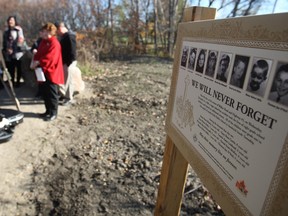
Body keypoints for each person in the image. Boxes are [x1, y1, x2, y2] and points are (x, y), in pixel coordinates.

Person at [31, 22, 64, 121]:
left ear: (52, 32)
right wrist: (35, 61)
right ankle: (47, 111)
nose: (46, 34)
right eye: (44, 31)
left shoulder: (54, 43)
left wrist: (38, 62)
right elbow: (39, 53)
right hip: (42, 71)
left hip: (51, 72)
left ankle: (53, 112)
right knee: (45, 92)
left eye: (48, 32)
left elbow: (50, 58)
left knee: (52, 93)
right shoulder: (43, 42)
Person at [55, 22, 77, 105]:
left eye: (57, 31)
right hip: (65, 62)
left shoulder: (70, 36)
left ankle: (68, 98)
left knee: (68, 80)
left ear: (59, 28)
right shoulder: (64, 36)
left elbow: (72, 51)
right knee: (66, 80)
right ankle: (64, 96)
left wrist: (68, 63)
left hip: (69, 62)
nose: (57, 34)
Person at [2, 16, 25, 87]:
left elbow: (21, 40)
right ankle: (11, 81)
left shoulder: (19, 30)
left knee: (18, 68)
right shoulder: (6, 31)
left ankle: (18, 82)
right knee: (10, 68)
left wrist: (15, 48)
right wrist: (7, 49)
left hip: (18, 52)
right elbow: (5, 42)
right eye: (9, 20)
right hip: (9, 53)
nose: (10, 22)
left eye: (12, 20)